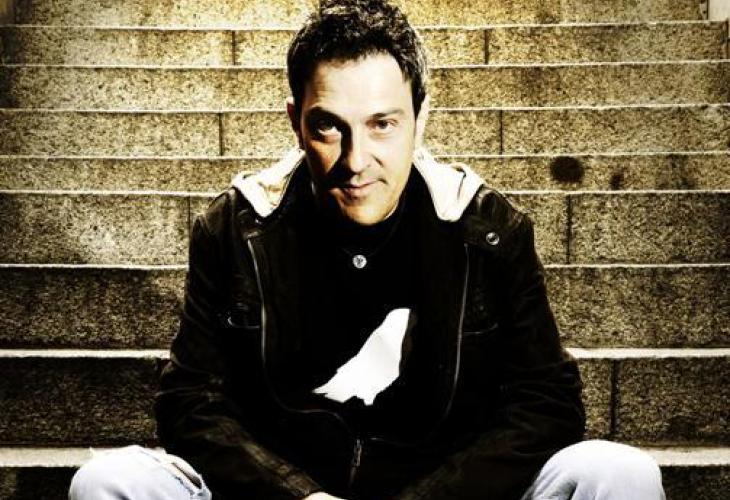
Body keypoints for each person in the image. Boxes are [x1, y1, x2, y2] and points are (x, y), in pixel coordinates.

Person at [69, 1, 667, 499]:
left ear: (421, 118)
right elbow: (190, 403)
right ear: (295, 122)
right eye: (329, 126)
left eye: (383, 124)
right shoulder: (235, 228)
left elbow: (547, 404)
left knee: (618, 474)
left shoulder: (487, 230)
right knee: (110, 482)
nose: (356, 161)